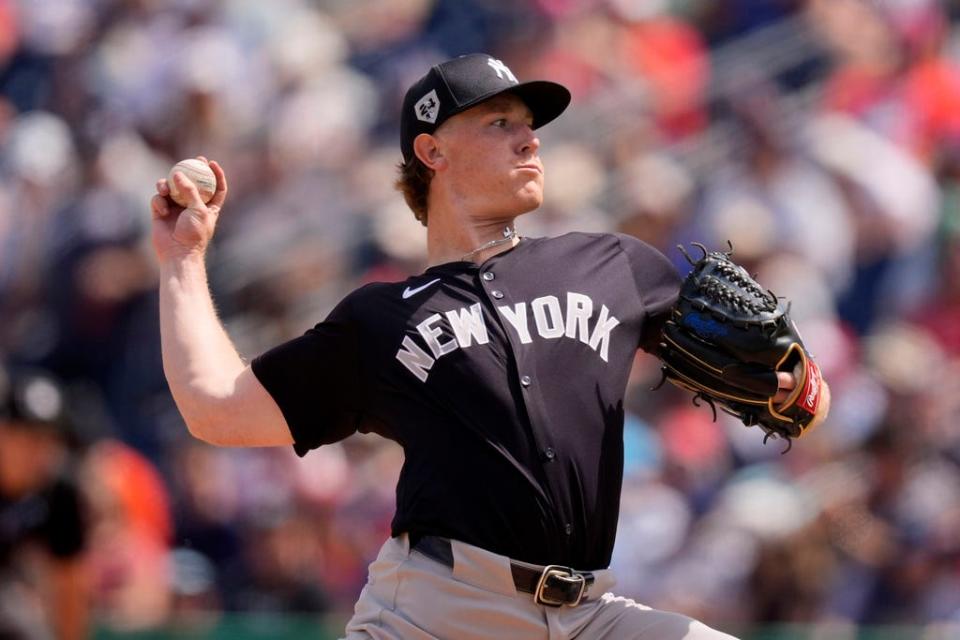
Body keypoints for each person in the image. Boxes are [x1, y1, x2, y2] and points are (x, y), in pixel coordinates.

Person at [152, 53, 822, 639]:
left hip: (589, 613)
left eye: (529, 124)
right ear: (432, 152)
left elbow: (785, 386)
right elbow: (216, 408)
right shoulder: (381, 320)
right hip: (439, 614)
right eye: (499, 123)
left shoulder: (612, 265)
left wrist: (798, 389)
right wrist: (183, 257)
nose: (529, 139)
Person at [0, 366, 90, 640]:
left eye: (50, 439)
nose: (41, 450)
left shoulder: (59, 491)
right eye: (30, 437)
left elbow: (69, 583)